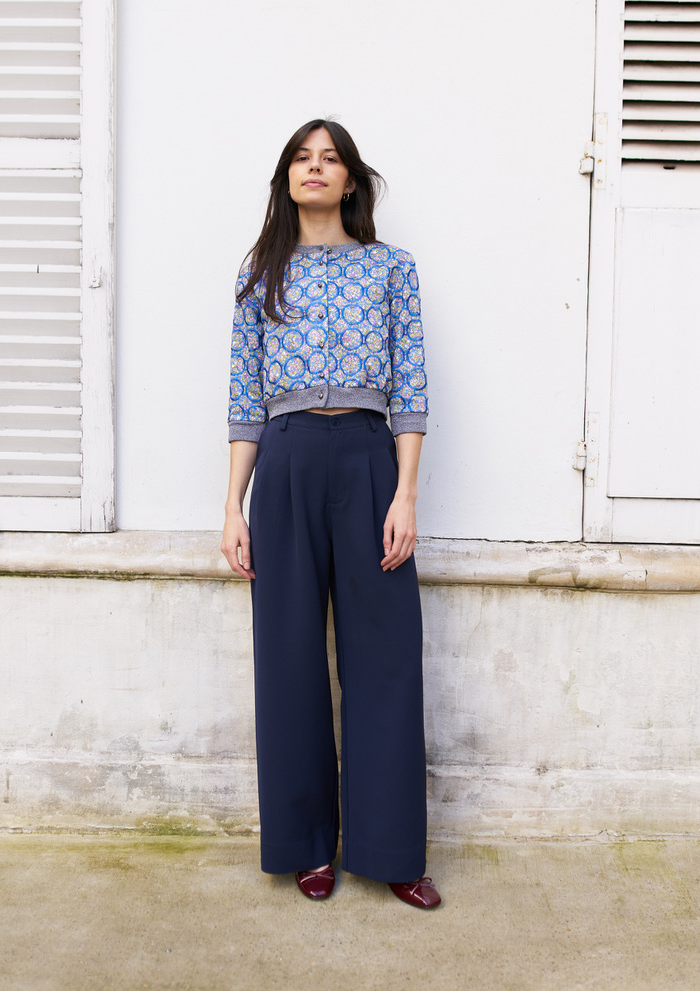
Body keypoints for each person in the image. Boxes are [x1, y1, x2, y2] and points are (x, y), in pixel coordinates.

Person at [221, 119, 439, 910]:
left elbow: (410, 384)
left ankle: (392, 850)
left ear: (350, 180)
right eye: (301, 158)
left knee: (384, 655)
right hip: (283, 462)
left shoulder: (390, 267)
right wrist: (232, 506)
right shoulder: (259, 271)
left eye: (330, 158)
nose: (315, 168)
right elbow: (244, 396)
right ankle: (305, 843)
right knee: (287, 656)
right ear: (287, 177)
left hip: (368, 459)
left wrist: (404, 494)